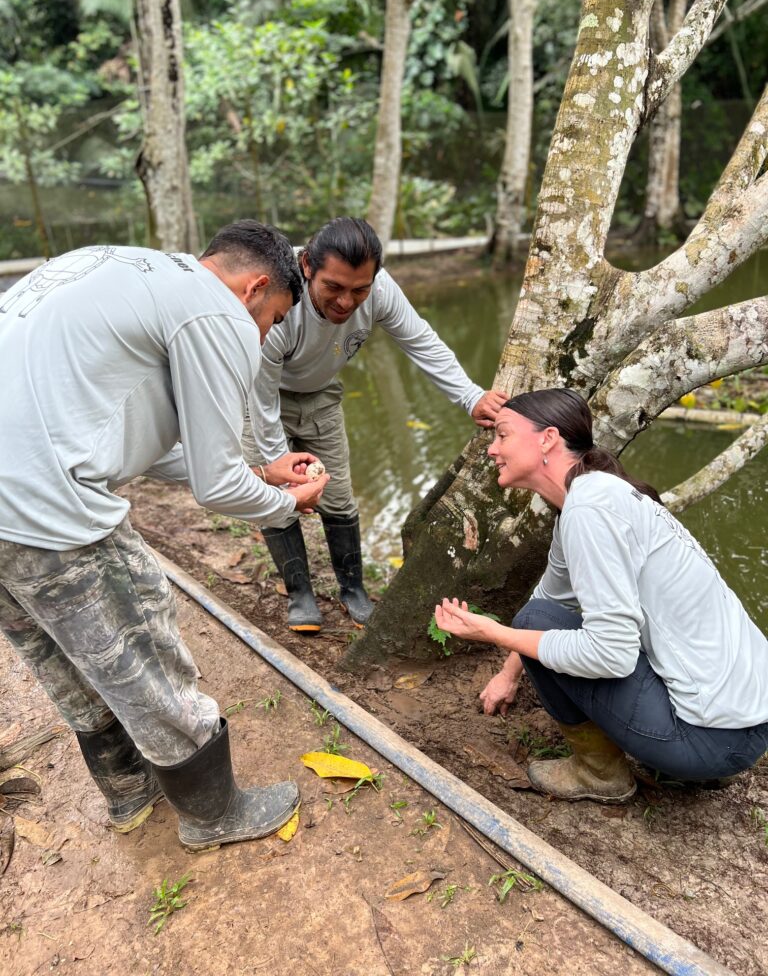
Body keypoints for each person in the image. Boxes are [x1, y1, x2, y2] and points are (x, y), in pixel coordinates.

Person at [0, 221, 331, 849]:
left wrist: (260, 469)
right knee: (137, 643)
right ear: (254, 287)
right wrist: (288, 502)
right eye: (272, 320)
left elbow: (135, 440)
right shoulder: (218, 312)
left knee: (58, 651)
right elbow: (216, 487)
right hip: (44, 504)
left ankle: (128, 792)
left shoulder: (121, 269)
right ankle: (214, 814)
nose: (262, 338)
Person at [435, 388, 768, 802]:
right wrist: (508, 674)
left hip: (711, 742)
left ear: (547, 439)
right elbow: (549, 597)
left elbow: (611, 653)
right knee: (540, 615)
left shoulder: (589, 511)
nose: (492, 449)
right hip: (748, 724)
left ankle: (599, 773)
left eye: (502, 435)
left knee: (534, 625)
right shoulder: (592, 496)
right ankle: (684, 754)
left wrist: (495, 633)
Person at [244, 216, 508, 632]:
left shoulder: (380, 291)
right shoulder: (280, 297)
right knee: (276, 499)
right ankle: (300, 595)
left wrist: (471, 395)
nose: (347, 303)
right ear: (308, 265)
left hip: (319, 396)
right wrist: (282, 467)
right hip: (260, 394)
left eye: (359, 290)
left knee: (340, 497)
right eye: (334, 287)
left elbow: (420, 340)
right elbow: (261, 399)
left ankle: (353, 591)